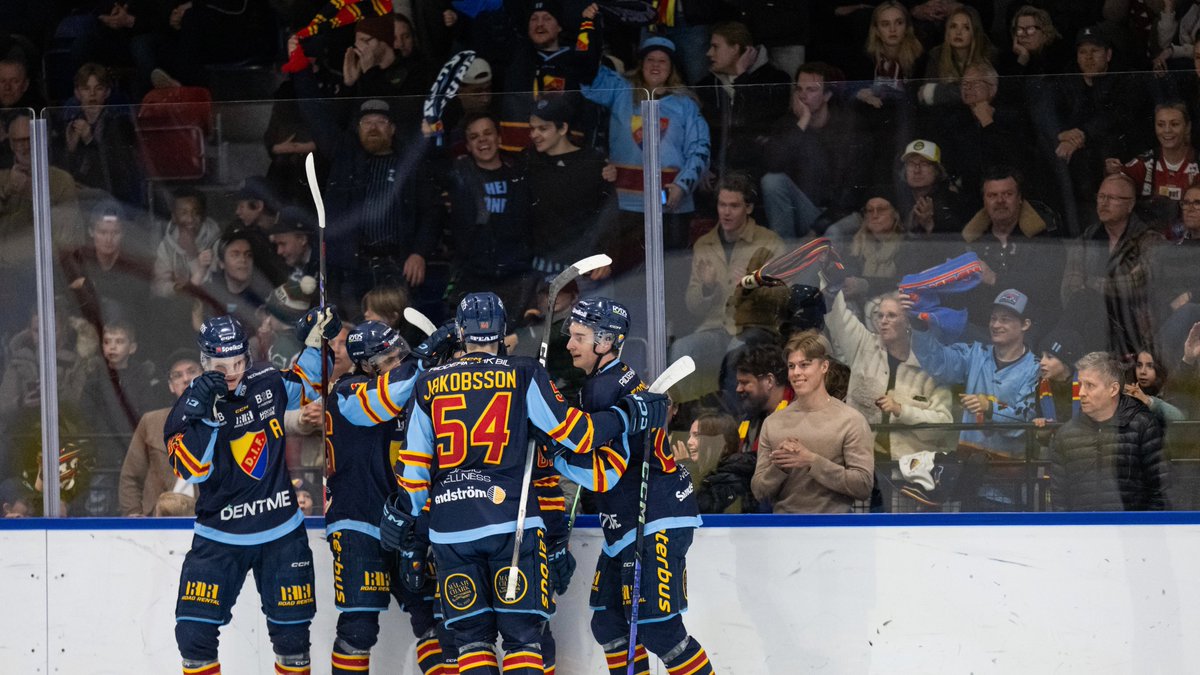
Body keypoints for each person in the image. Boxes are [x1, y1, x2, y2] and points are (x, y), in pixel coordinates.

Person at [382, 292, 669, 675]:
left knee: (471, 642)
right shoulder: (523, 371)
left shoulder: (427, 384)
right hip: (511, 524)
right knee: (523, 639)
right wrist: (627, 413)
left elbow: (414, 469)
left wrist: (405, 519)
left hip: (452, 531)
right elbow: (577, 434)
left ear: (461, 334)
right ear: (502, 333)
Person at [166, 309, 341, 675]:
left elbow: (309, 383)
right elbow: (193, 468)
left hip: (281, 531)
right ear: (204, 361)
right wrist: (208, 416)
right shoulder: (186, 410)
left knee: (293, 642)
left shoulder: (265, 379)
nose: (230, 373)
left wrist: (316, 341)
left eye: (238, 361)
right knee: (194, 638)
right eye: (219, 364)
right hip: (219, 537)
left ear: (248, 355)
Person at [550, 297, 713, 675]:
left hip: (654, 518)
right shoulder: (613, 379)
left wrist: (557, 454)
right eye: (570, 334)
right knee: (608, 623)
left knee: (660, 631)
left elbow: (604, 474)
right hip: (628, 522)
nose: (570, 344)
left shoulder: (605, 388)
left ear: (605, 341)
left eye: (579, 336)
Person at [324, 320, 457, 674]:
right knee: (359, 628)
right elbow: (387, 399)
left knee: (435, 619)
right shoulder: (347, 391)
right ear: (367, 367)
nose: (400, 363)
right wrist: (423, 360)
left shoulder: (413, 387)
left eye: (402, 354)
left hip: (406, 521)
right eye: (391, 359)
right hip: (358, 521)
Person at [292, 93, 441, 317]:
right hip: (352, 268)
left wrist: (419, 252)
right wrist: (300, 67)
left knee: (397, 333)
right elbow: (316, 116)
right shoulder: (345, 158)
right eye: (367, 122)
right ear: (358, 129)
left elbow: (432, 211)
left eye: (381, 122)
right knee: (352, 332)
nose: (373, 128)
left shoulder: (410, 165)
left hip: (395, 266)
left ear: (392, 129)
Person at [582, 35, 711, 267]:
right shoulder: (621, 91)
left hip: (672, 206)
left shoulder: (686, 105)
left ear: (672, 67)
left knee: (670, 278)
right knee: (627, 277)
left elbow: (700, 149)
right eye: (650, 59)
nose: (655, 65)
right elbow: (587, 74)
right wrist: (590, 27)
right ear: (641, 64)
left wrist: (682, 186)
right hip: (625, 206)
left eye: (662, 61)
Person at [673, 173, 785, 403]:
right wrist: (707, 287)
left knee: (736, 350)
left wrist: (751, 286)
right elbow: (692, 306)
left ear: (749, 208)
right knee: (681, 349)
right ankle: (681, 416)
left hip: (755, 328)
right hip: (714, 328)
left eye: (734, 206)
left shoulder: (769, 241)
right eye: (722, 205)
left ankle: (734, 420)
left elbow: (784, 298)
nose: (726, 212)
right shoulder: (705, 243)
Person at [907, 288, 1040, 459]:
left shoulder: (1036, 368)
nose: (996, 325)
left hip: (1009, 473)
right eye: (993, 318)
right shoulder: (975, 353)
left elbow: (1026, 421)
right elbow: (938, 365)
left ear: (1025, 324)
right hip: (968, 466)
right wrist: (919, 327)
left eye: (1005, 320)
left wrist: (989, 407)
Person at [751, 331, 875, 513]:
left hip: (835, 531)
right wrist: (779, 467)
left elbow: (863, 486)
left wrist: (811, 461)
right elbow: (759, 491)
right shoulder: (773, 423)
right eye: (791, 366)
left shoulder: (851, 420)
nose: (796, 373)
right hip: (782, 531)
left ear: (824, 366)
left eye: (804, 365)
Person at [824, 289, 953, 459]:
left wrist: (901, 410)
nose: (883, 321)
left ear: (908, 322)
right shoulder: (864, 345)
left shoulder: (931, 365)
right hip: (861, 461)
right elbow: (837, 317)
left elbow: (942, 426)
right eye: (880, 315)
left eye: (891, 316)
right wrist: (831, 286)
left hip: (910, 469)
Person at [761, 62, 869, 240]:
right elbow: (773, 164)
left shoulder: (849, 125)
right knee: (772, 181)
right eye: (799, 89)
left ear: (827, 95)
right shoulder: (788, 124)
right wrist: (802, 122)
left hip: (841, 215)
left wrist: (819, 227)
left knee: (830, 233)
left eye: (811, 90)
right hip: (806, 210)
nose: (803, 96)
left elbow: (853, 190)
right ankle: (785, 258)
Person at [1050, 351, 1169, 511]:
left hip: (1133, 532)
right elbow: (1059, 499)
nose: (1081, 393)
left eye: (1090, 385)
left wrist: (1142, 531)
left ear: (1113, 390)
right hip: (1083, 533)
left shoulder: (1143, 426)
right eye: (1080, 385)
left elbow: (1161, 490)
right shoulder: (1065, 434)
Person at [1062, 173, 1164, 359]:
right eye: (1101, 197)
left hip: (1132, 320)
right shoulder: (1086, 239)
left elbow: (1136, 283)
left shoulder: (1149, 240)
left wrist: (1091, 283)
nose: (1104, 203)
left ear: (1130, 205)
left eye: (1112, 198)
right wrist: (1100, 290)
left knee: (1090, 310)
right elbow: (1070, 288)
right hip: (1090, 317)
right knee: (1087, 310)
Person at [442, 112, 534, 313]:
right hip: (476, 277)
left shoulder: (520, 173)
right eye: (474, 137)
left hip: (516, 277)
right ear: (467, 147)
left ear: (499, 138)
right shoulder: (458, 176)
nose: (482, 140)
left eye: (487, 133)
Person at [526, 94, 616, 282]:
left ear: (563, 128)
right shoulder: (527, 159)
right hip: (540, 271)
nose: (534, 135)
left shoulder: (593, 163)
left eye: (543, 128)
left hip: (585, 271)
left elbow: (608, 215)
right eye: (532, 129)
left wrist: (605, 256)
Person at [696, 21, 791, 179]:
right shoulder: (707, 86)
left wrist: (742, 78)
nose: (709, 53)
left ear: (735, 48)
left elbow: (756, 121)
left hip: (757, 170)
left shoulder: (776, 80)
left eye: (716, 47)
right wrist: (704, 165)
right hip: (714, 172)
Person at [119, 352, 202, 516]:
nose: (186, 379)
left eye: (192, 372)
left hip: (209, 520)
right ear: (171, 386)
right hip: (159, 521)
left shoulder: (225, 420)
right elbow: (130, 477)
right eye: (177, 376)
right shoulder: (151, 422)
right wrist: (134, 515)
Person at [1105, 102, 1199, 230]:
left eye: (1174, 124)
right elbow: (1115, 189)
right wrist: (1112, 172)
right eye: (1161, 125)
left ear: (1187, 127)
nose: (1167, 130)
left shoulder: (1197, 163)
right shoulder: (1145, 162)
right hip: (1151, 241)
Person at [152, 187, 221, 298]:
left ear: (203, 216)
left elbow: (212, 289)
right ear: (174, 217)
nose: (190, 219)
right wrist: (178, 287)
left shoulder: (216, 242)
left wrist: (192, 253)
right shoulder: (166, 246)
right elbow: (158, 287)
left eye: (196, 213)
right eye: (184, 213)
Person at [1126, 350, 1186, 422]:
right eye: (1139, 365)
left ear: (1159, 368)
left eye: (1150, 366)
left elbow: (1180, 418)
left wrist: (1149, 402)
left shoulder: (1170, 391)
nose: (1142, 372)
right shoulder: (1130, 392)